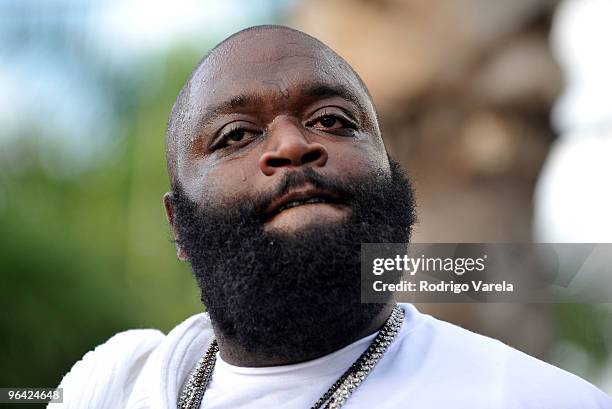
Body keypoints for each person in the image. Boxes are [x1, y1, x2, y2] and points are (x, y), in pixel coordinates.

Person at [51, 25, 611, 409]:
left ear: (391, 175)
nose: (293, 145)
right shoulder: (119, 385)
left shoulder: (531, 397)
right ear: (178, 226)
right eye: (237, 135)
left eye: (333, 120)